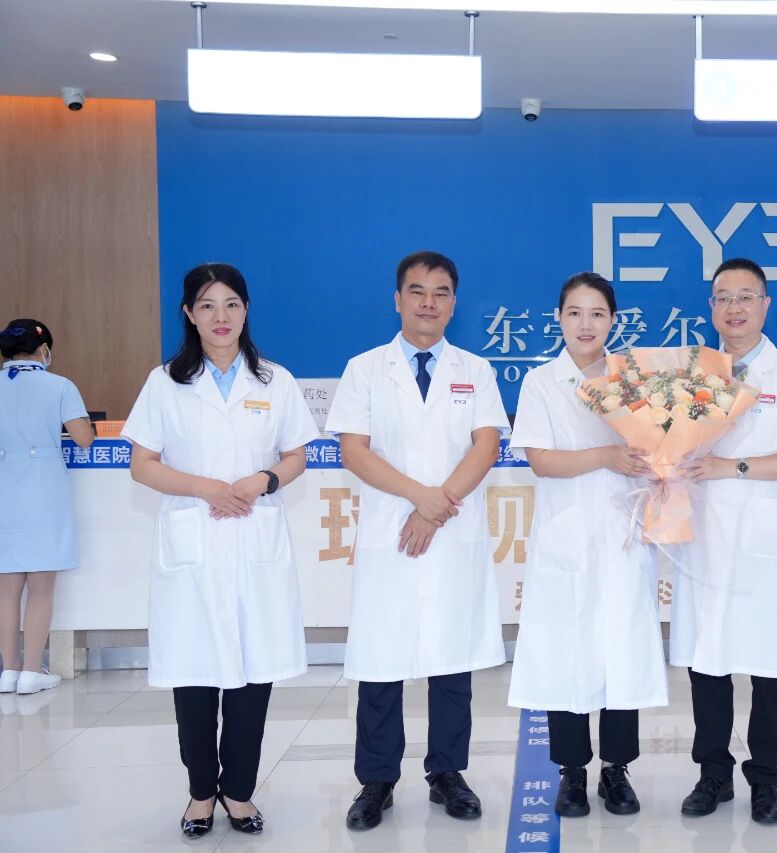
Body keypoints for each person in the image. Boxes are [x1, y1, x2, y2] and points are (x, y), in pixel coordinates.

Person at [123, 264, 318, 839]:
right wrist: (208, 488)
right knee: (195, 674)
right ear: (189, 314)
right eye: (207, 305)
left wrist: (262, 480)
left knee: (254, 676)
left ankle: (239, 792)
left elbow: (297, 454)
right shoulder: (165, 382)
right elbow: (142, 465)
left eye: (231, 303)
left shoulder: (274, 380)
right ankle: (200, 794)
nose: (221, 316)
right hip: (195, 540)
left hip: (254, 535)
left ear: (246, 309)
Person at [326, 251, 508, 832]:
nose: (429, 302)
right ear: (397, 299)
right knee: (381, 660)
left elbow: (486, 446)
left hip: (449, 532)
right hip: (391, 531)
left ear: (454, 302)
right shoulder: (364, 369)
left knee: (451, 660)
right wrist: (419, 497)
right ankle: (377, 780)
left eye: (441, 292)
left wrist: (436, 507)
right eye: (417, 291)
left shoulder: (475, 369)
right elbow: (354, 450)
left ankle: (447, 773)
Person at [672, 258, 777, 826]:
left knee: (769, 668)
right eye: (723, 297)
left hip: (764, 541)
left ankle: (765, 779)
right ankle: (712, 774)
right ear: (711, 307)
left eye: (746, 297)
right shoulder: (691, 374)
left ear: (766, 306)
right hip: (702, 539)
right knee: (707, 664)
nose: (734, 308)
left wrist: (732, 466)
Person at [507, 272, 667, 818]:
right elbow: (541, 460)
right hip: (567, 537)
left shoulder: (635, 380)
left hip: (624, 532)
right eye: (574, 312)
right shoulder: (541, 382)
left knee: (621, 647)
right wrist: (606, 456)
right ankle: (571, 772)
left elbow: (660, 447)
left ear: (613, 321)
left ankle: (616, 769)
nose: (585, 324)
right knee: (566, 651)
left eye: (597, 314)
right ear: (559, 318)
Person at [0, 320, 94, 696]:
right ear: (44, 350)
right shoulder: (60, 386)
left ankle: (8, 670)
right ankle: (31, 672)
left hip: (4, 492)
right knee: (40, 589)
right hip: (43, 493)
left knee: (6, 591)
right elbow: (84, 438)